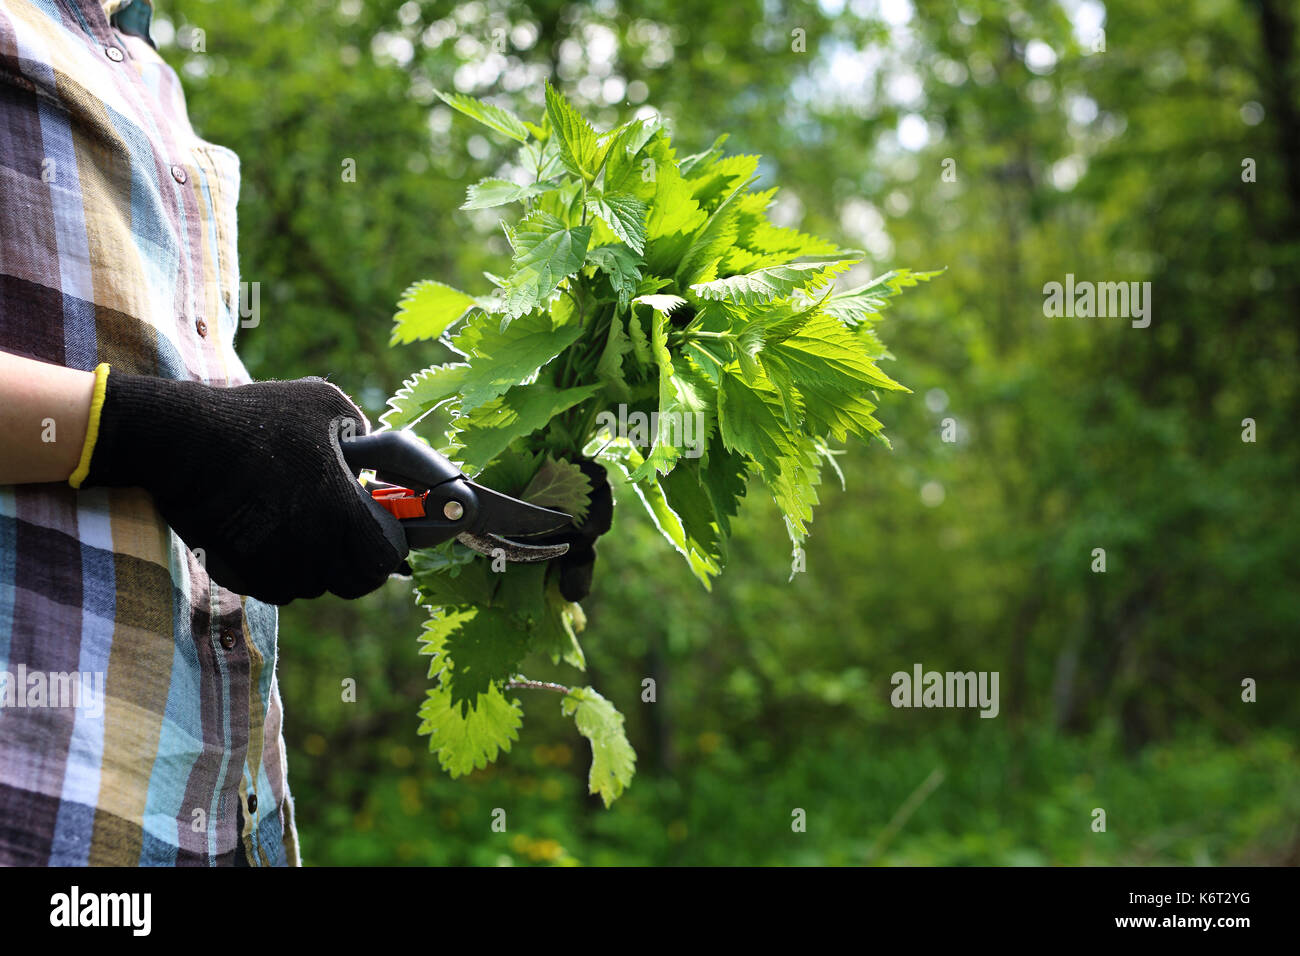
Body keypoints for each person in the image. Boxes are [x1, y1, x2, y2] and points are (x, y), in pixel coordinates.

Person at [0, 0, 408, 865]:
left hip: (214, 810)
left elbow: (224, 451)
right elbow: (188, 435)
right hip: (38, 795)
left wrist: (484, 510)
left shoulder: (147, 71)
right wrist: (153, 433)